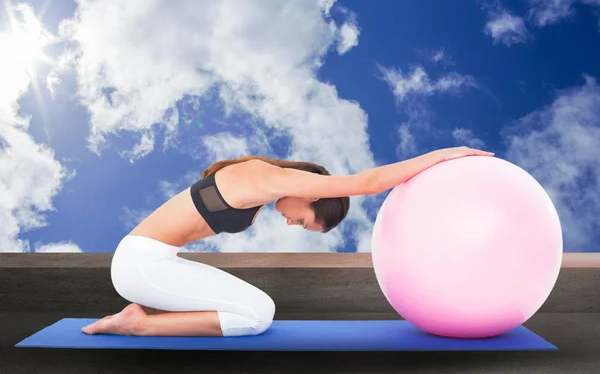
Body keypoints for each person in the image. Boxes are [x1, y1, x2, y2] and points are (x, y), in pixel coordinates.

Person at [81, 146, 494, 337]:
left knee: (253, 308)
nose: (293, 223)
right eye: (305, 221)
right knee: (259, 316)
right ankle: (139, 325)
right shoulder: (262, 178)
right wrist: (442, 155)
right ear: (315, 194)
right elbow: (369, 183)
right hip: (141, 264)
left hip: (152, 262)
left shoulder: (259, 187)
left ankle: (144, 307)